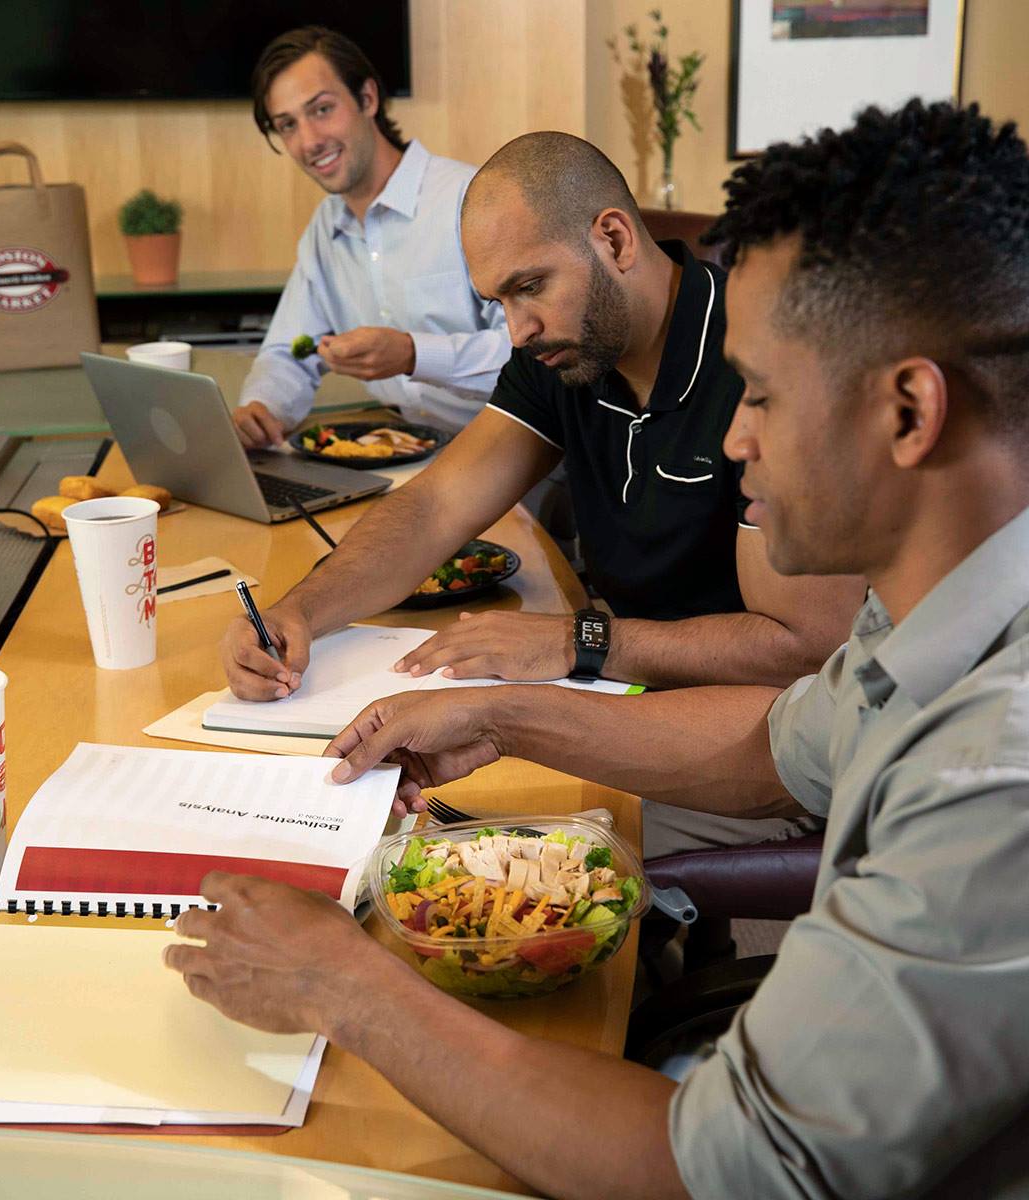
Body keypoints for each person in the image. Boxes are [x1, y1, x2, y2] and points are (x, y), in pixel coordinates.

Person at [168, 100, 1029, 1198]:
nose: (733, 438)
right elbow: (778, 749)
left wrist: (343, 985)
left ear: (910, 413)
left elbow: (717, 1169)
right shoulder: (929, 617)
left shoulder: (991, 772)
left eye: (761, 395)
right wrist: (504, 714)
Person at [222, 130, 861, 855]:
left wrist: (578, 640)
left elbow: (806, 649)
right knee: (406, 799)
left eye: (530, 287)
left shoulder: (760, 366)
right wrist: (300, 610)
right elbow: (435, 504)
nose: (516, 329)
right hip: (628, 693)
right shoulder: (562, 352)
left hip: (762, 733)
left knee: (459, 845)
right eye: (497, 300)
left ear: (615, 239)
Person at [232, 26, 510, 448]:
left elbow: (533, 356)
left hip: (512, 456)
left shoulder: (470, 200)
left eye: (322, 109)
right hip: (403, 449)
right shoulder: (325, 230)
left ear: (367, 98)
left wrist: (415, 354)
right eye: (287, 125)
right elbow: (287, 353)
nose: (308, 141)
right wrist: (261, 408)